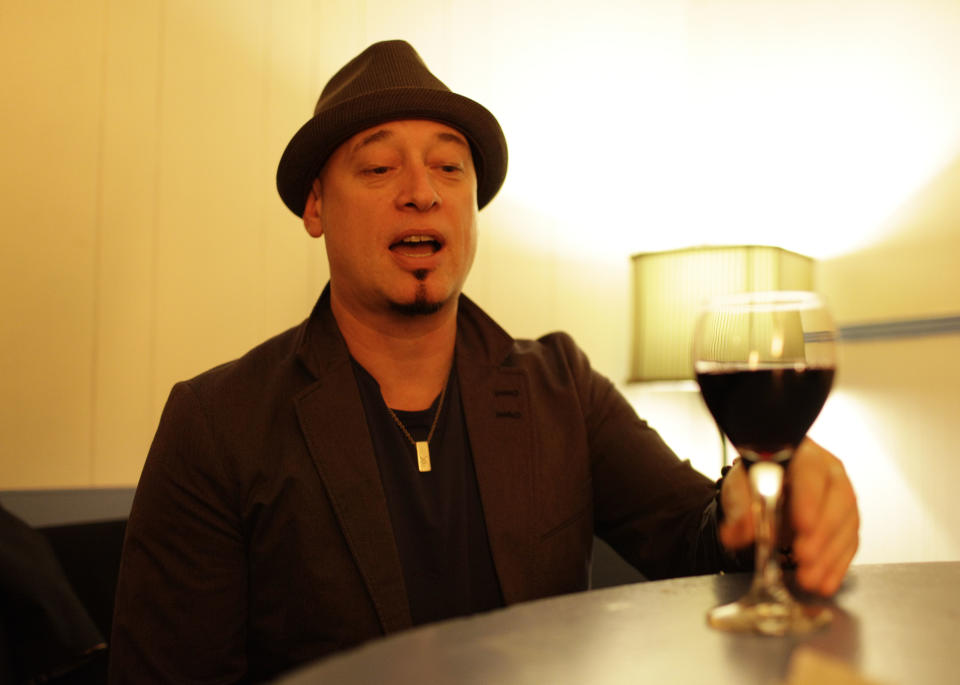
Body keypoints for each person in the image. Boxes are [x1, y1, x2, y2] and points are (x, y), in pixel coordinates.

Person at [109, 40, 859, 683]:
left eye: (449, 168)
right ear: (315, 207)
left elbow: (694, 536)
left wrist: (767, 500)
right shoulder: (218, 423)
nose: (421, 193)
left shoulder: (561, 386)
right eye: (377, 169)